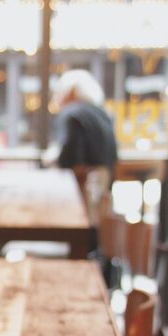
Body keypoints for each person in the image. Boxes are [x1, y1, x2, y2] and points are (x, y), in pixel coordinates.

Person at [49, 70, 117, 223]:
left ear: (71, 92)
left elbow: (70, 154)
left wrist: (55, 160)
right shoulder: (101, 113)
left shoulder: (71, 113)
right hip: (104, 176)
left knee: (83, 227)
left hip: (84, 181)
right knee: (99, 225)